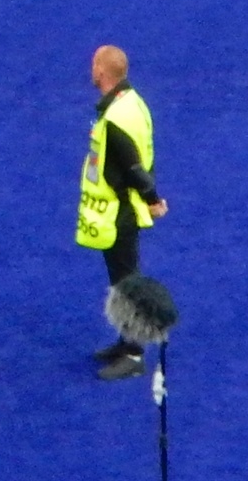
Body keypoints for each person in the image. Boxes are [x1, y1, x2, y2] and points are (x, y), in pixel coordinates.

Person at [74, 45, 165, 379]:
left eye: (93, 64)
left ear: (101, 71)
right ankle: (126, 340)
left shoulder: (115, 118)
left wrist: (153, 199)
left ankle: (135, 354)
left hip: (120, 210)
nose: (91, 69)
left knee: (127, 280)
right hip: (120, 206)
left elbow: (133, 167)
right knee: (120, 279)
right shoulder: (130, 103)